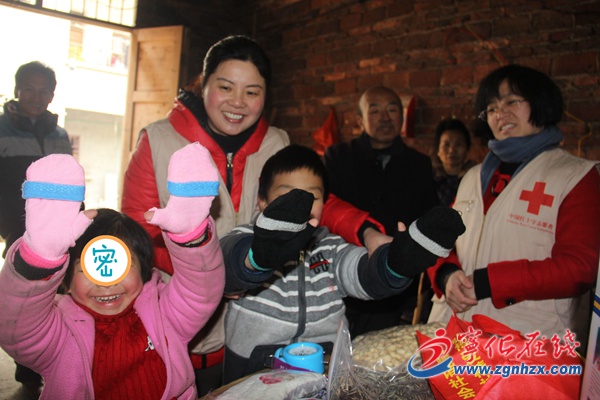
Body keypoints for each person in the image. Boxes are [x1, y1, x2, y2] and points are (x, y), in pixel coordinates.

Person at [122, 35, 384, 393]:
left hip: (253, 328)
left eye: (252, 91)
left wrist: (367, 230)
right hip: (178, 320)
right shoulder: (158, 140)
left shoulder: (276, 142)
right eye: (225, 87)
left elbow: (311, 199)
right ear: (202, 84)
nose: (238, 102)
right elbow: (139, 235)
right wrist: (212, 274)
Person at [220, 145, 465, 383]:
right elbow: (226, 267)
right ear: (262, 201)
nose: (300, 206)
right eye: (287, 195)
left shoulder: (329, 247)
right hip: (252, 373)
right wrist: (258, 257)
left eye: (313, 196)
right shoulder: (246, 238)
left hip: (325, 371)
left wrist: (395, 264)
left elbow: (360, 273)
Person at [0, 143, 225, 399]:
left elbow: (201, 291)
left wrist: (191, 237)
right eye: (89, 268)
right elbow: (16, 328)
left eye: (120, 265)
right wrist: (39, 259)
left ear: (143, 270)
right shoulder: (61, 330)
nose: (106, 282)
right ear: (66, 281)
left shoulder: (164, 313)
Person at [427, 64, 600, 343]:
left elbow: (578, 268)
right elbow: (441, 239)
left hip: (524, 340)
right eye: (492, 108)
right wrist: (446, 274)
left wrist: (490, 282)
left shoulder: (574, 176)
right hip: (453, 332)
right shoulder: (472, 176)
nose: (500, 114)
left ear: (541, 103)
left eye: (511, 102)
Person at [324, 86, 440, 336]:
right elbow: (328, 210)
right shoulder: (339, 157)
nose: (385, 118)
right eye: (375, 111)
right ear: (360, 120)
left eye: (392, 110)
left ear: (402, 117)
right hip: (343, 275)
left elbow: (427, 219)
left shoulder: (418, 164)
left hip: (395, 284)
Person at [0, 61, 72, 393]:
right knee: (22, 299)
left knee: (55, 295)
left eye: (43, 90)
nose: (35, 96)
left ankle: (51, 361)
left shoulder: (59, 135)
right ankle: (27, 371)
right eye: (28, 88)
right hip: (18, 230)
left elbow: (70, 181)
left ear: (52, 95)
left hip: (57, 230)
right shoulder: (1, 129)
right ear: (16, 91)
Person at [431, 118, 477, 206]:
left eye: (458, 144)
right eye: (446, 145)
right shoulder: (428, 178)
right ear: (438, 150)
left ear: (467, 150)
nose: (452, 150)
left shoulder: (475, 178)